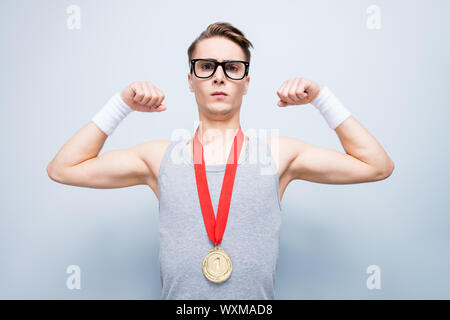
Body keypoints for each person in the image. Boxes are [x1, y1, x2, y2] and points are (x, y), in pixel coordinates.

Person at [46, 22, 394, 299]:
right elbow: (63, 169)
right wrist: (121, 104)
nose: (219, 76)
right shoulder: (158, 157)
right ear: (190, 80)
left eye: (233, 67)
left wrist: (321, 98)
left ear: (246, 81)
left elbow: (377, 165)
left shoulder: (276, 153)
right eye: (207, 66)